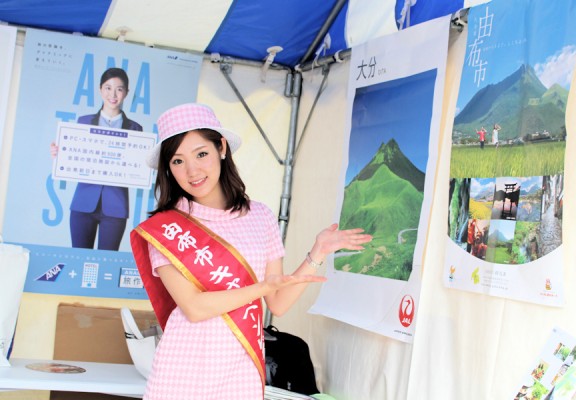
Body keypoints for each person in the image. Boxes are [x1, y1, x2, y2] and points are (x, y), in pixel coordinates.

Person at [130, 103, 372, 400]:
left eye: (201, 154)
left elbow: (278, 301)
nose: (192, 171)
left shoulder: (261, 217)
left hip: (241, 367)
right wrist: (260, 288)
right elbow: (194, 308)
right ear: (168, 168)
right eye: (178, 161)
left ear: (221, 148)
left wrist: (317, 252)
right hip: (184, 369)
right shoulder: (165, 228)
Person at [51, 68, 143, 251]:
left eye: (119, 89)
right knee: (79, 260)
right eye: (108, 88)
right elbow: (73, 156)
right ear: (101, 90)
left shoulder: (135, 129)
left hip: (115, 206)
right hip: (83, 204)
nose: (113, 94)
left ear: (126, 93)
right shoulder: (83, 122)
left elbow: (138, 165)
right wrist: (60, 153)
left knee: (105, 263)